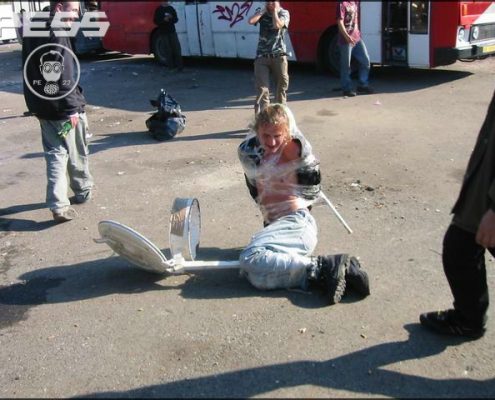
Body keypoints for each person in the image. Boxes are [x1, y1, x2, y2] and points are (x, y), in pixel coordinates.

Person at [237, 103, 370, 304]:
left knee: (249, 258)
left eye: (277, 135)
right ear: (257, 132)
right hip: (277, 228)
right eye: (266, 135)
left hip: (297, 224)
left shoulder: (294, 149)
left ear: (287, 133)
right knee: (256, 277)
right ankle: (333, 273)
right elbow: (254, 188)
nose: (272, 141)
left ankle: (323, 266)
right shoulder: (249, 154)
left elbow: (311, 187)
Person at [420, 90, 495, 340]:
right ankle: (469, 319)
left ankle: (469, 320)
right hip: (485, 184)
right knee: (461, 245)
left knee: (460, 246)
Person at [22, 1, 94, 223]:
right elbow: (64, 73)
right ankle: (82, 191)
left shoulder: (35, 25)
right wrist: (72, 108)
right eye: (73, 11)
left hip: (41, 104)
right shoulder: (58, 30)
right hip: (63, 106)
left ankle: (59, 205)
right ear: (59, 7)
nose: (76, 16)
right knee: (76, 150)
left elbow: (29, 65)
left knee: (55, 154)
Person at [248, 1, 290, 115]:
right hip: (262, 56)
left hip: (279, 56)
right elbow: (251, 21)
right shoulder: (262, 13)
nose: (270, 3)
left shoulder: (284, 13)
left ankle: (280, 114)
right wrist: (263, 11)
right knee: (262, 89)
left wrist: (275, 11)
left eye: (272, 1)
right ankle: (265, 116)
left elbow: (278, 25)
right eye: (268, 1)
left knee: (281, 87)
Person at [336, 1, 373, 97]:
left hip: (357, 38)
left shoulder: (355, 2)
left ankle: (362, 85)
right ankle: (346, 89)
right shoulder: (342, 3)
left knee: (365, 61)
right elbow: (340, 21)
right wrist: (347, 37)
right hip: (345, 40)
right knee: (346, 66)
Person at [153, 1, 183, 71]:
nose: (166, 2)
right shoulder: (158, 10)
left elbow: (176, 19)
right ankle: (171, 67)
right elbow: (155, 21)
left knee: (177, 49)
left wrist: (171, 17)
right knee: (167, 50)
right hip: (163, 32)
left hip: (172, 31)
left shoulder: (171, 8)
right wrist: (163, 20)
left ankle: (180, 66)